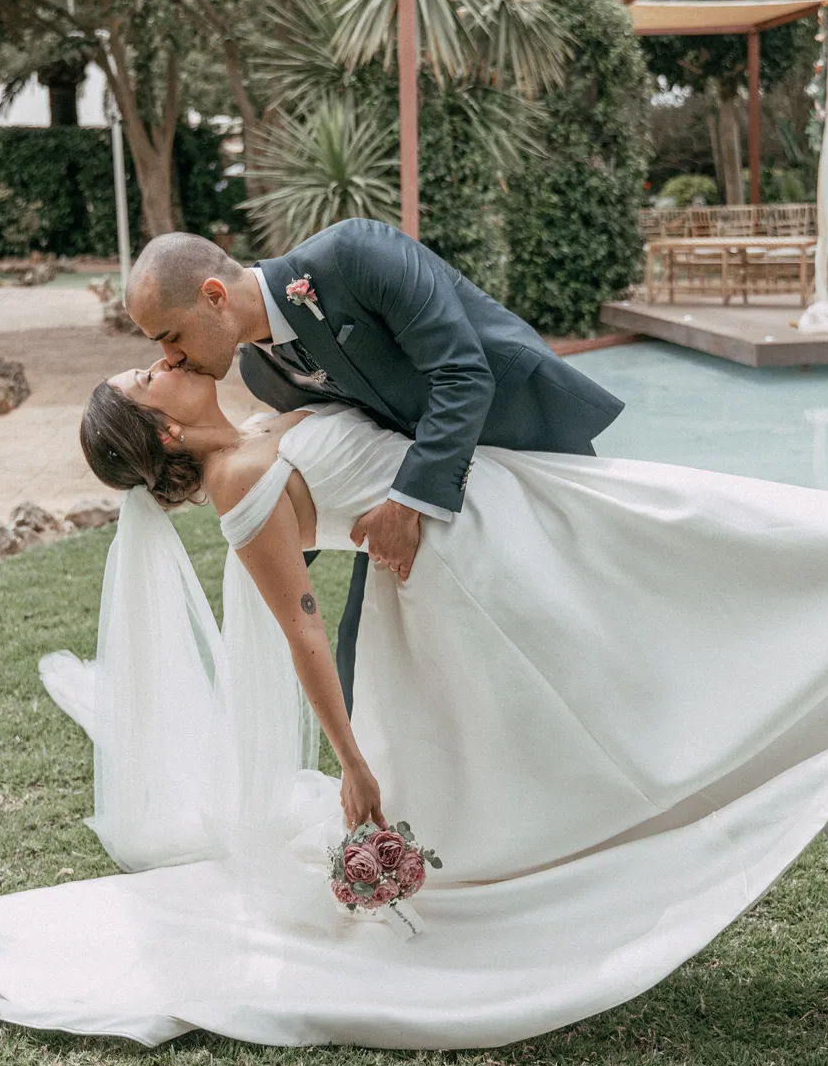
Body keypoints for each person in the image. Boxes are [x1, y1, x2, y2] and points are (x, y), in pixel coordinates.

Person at [0, 345, 828, 1051]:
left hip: (511, 516)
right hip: (482, 579)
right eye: (146, 372)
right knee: (702, 592)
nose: (160, 358)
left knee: (719, 545)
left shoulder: (249, 426)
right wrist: (354, 762)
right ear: (159, 424)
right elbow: (302, 625)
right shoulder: (242, 483)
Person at [114, 222, 625, 709]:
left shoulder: (354, 254)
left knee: (593, 621)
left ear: (214, 296)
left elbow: (463, 374)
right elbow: (336, 453)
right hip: (418, 497)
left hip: (523, 440)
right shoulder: (259, 371)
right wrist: (271, 560)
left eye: (171, 335)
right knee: (361, 661)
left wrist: (405, 507)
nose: (169, 357)